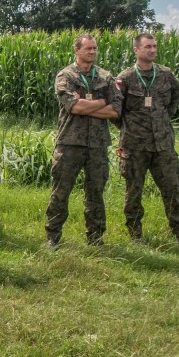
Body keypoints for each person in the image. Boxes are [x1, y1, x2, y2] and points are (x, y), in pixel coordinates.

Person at [114, 33, 179, 246]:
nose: (152, 50)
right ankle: (135, 233)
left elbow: (176, 95)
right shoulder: (126, 78)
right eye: (147, 46)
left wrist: (163, 119)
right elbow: (115, 110)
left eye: (154, 46)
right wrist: (129, 127)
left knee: (172, 189)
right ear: (136, 50)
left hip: (163, 145)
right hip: (134, 145)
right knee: (133, 191)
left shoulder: (166, 74)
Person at [45, 35, 120, 248]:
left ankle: (95, 238)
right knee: (61, 191)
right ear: (77, 50)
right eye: (88, 48)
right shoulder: (66, 76)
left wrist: (93, 104)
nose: (92, 52)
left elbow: (116, 109)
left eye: (95, 48)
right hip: (70, 143)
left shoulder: (106, 77)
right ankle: (53, 237)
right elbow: (73, 107)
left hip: (97, 144)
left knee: (96, 191)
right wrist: (102, 102)